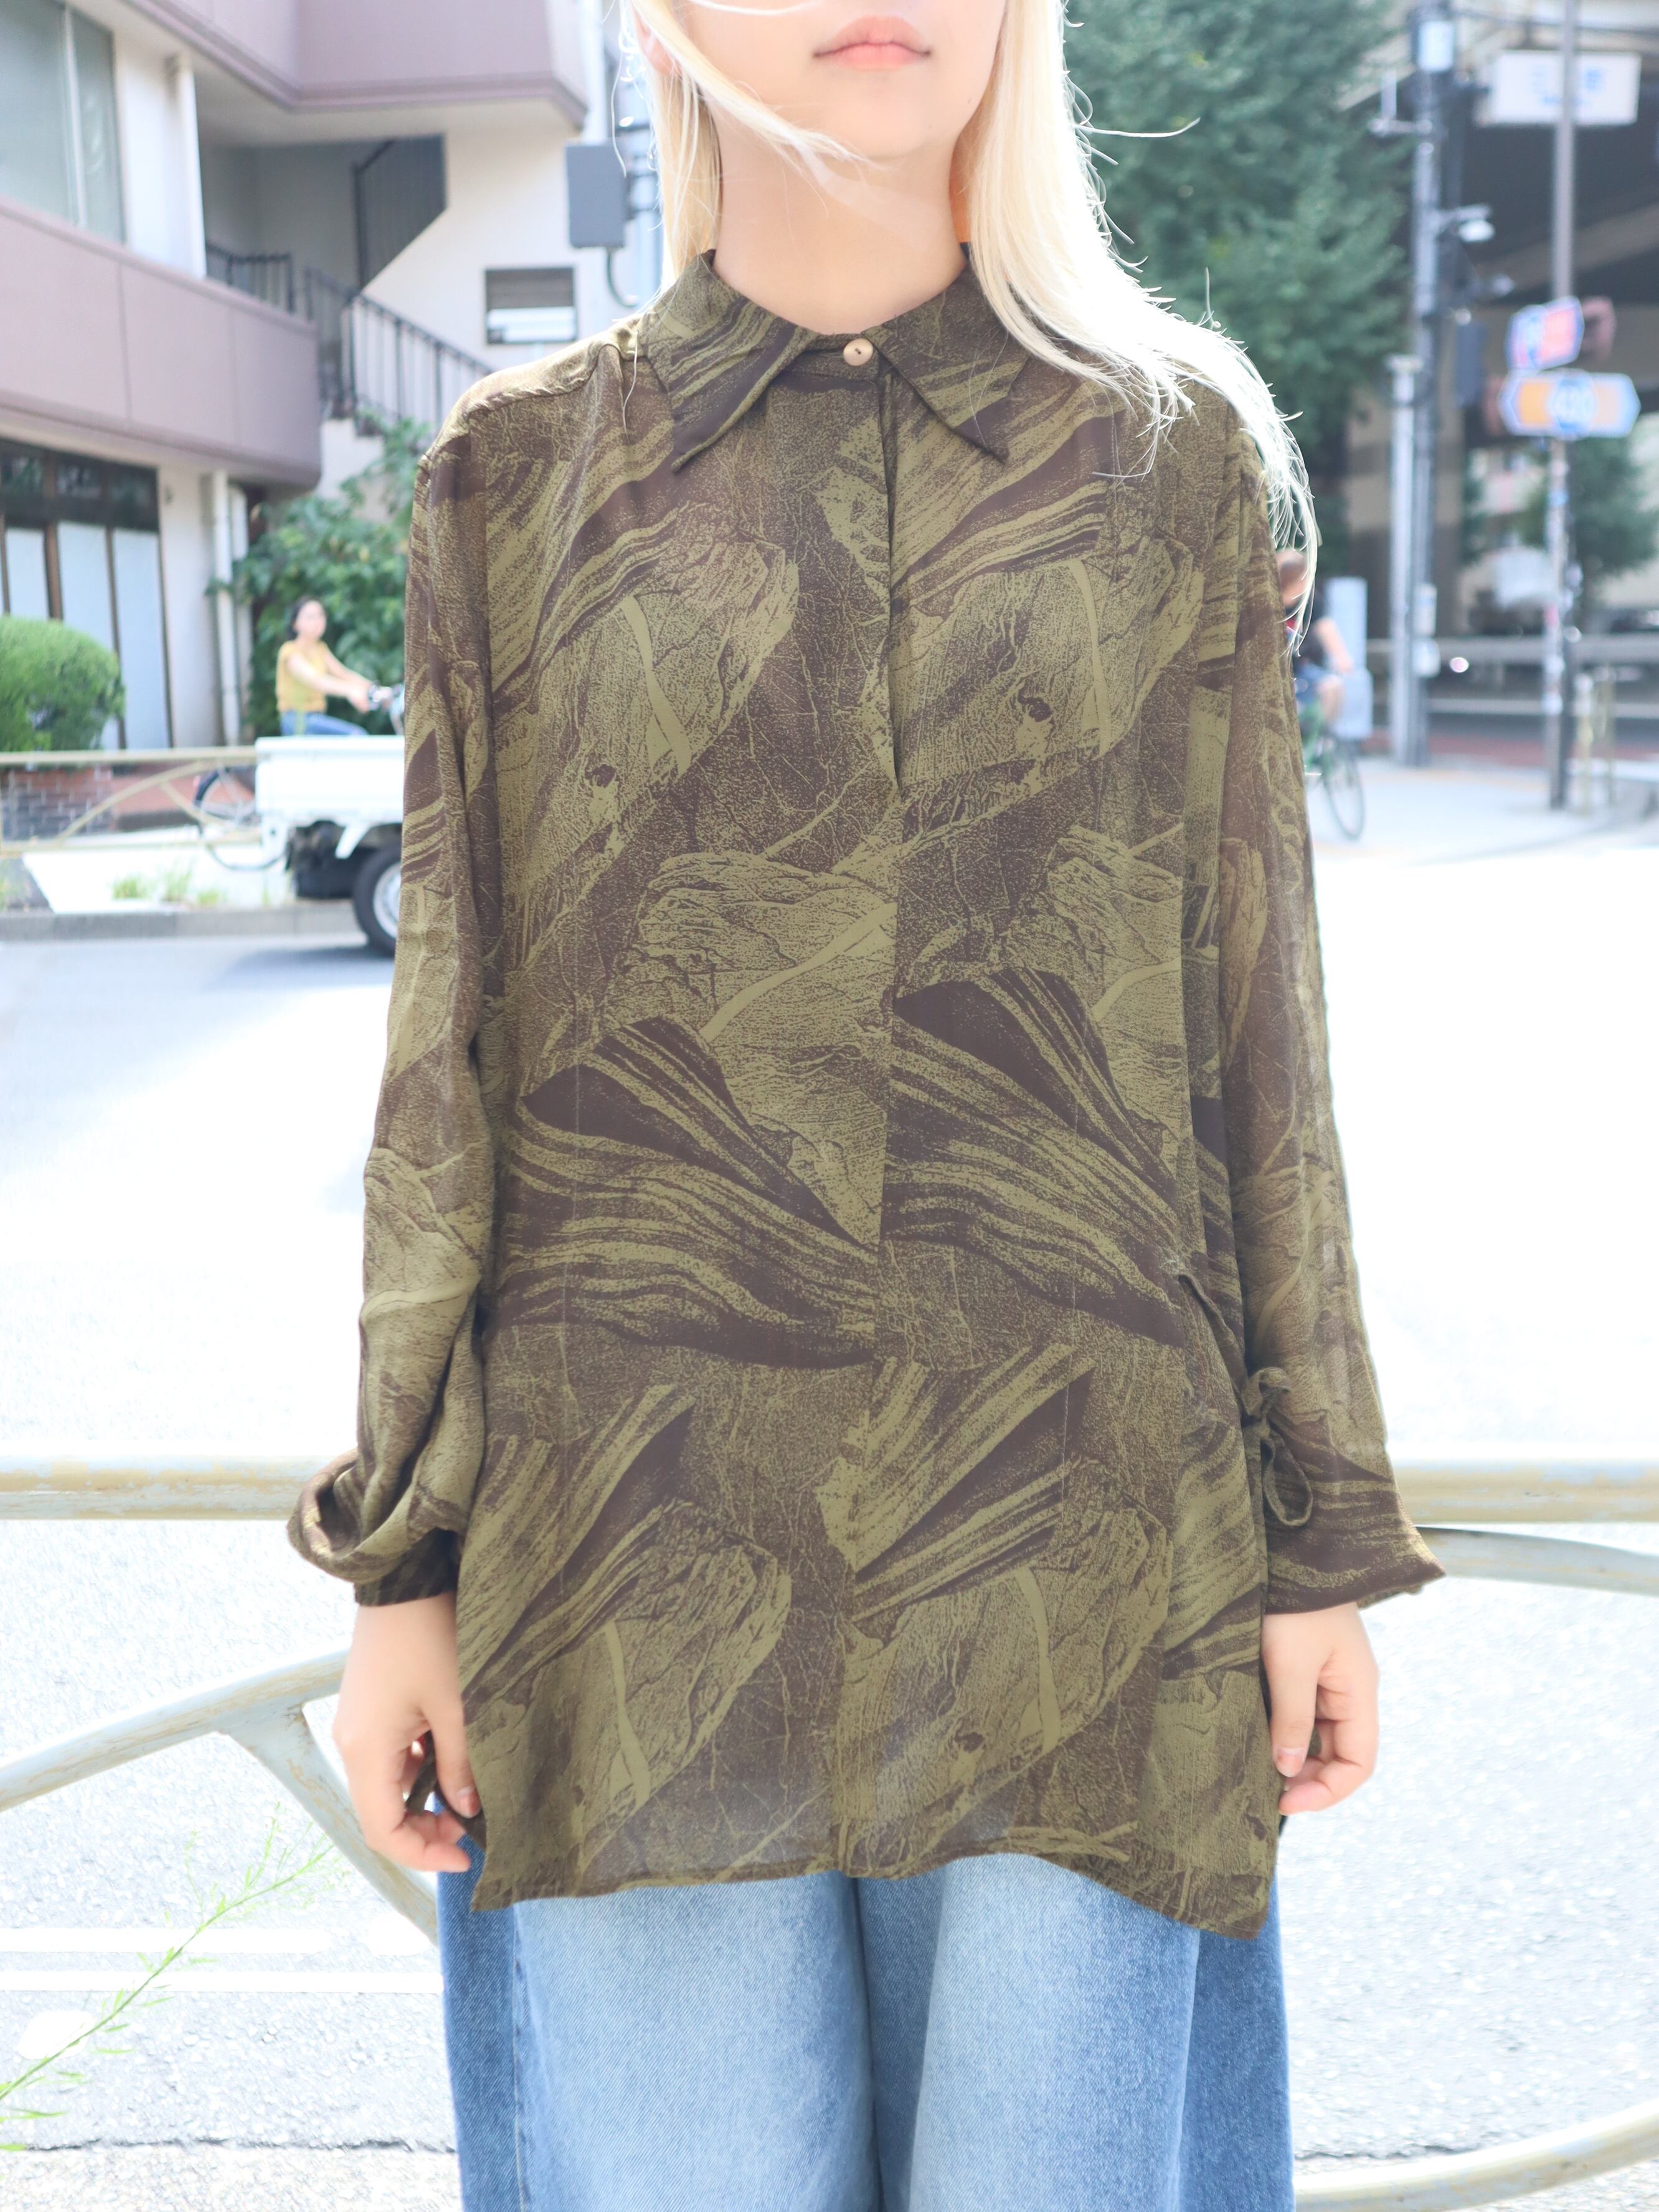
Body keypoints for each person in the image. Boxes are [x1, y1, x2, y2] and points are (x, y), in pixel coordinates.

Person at [290, 6, 1444, 2208]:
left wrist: (1319, 1533)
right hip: (628, 1560)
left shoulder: (1169, 459)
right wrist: (399, 1567)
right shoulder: (516, 480)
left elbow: (1250, 1036)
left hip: (1084, 1554)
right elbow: (447, 1058)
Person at [1277, 547, 1355, 729]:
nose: (1306, 583)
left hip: (1300, 668)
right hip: (1273, 671)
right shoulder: (1266, 602)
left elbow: (1326, 628)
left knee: (1333, 688)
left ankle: (1320, 736)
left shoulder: (1309, 601)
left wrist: (1342, 657)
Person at [273, 598, 377, 734]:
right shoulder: (289, 651)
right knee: (357, 736)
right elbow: (316, 680)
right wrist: (350, 691)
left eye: (320, 616)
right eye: (310, 617)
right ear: (295, 624)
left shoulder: (320, 649)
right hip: (296, 719)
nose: (317, 621)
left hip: (316, 718)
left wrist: (373, 688)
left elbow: (343, 674)